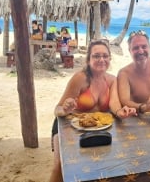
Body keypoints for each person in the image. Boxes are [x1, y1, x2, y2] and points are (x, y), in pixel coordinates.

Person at [49, 39, 137, 182]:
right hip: (67, 127)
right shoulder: (80, 78)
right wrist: (65, 110)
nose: (101, 59)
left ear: (109, 58)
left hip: (96, 130)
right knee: (60, 166)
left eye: (105, 56)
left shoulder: (112, 80)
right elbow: (57, 109)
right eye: (96, 56)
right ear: (88, 59)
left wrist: (120, 112)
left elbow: (114, 104)